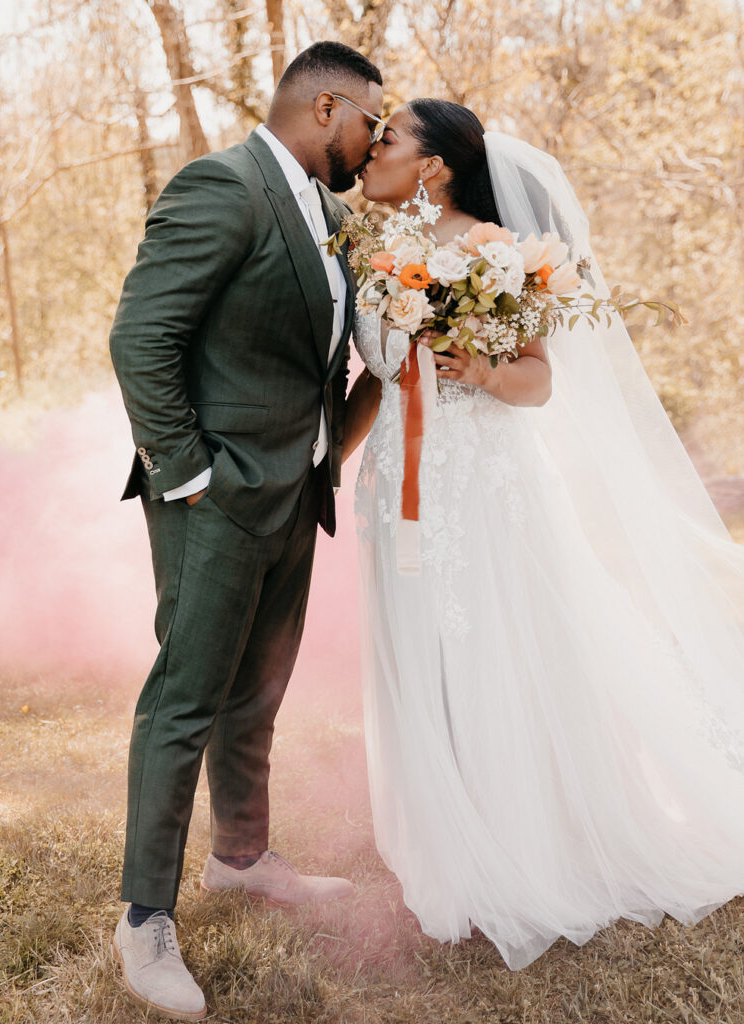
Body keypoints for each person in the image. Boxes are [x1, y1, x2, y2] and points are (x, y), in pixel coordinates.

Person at [345, 98, 744, 971]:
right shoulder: (374, 257)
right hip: (395, 487)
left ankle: (515, 842)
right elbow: (374, 379)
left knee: (488, 647)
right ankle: (443, 833)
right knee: (417, 651)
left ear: (435, 165)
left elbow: (537, 383)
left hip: (479, 488)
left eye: (391, 137)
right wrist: (327, 462)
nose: (372, 148)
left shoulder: (493, 250)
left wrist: (479, 366)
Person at [108, 41, 384, 1020]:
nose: (375, 141)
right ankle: (145, 921)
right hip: (215, 499)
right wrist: (190, 478)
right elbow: (141, 336)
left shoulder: (338, 218)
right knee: (186, 697)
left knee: (257, 692)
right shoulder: (220, 187)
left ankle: (242, 855)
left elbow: (328, 361)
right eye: (371, 123)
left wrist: (326, 462)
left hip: (295, 496)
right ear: (323, 107)